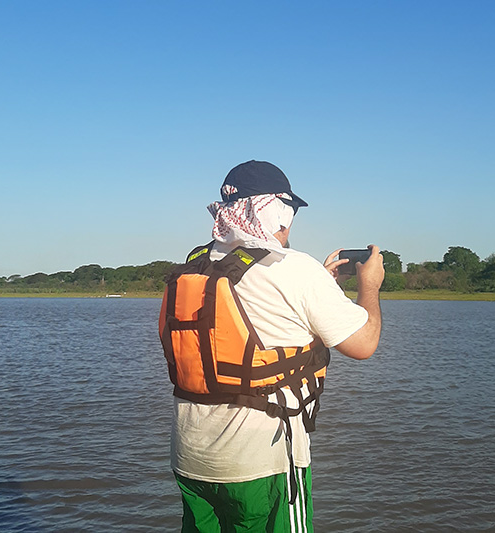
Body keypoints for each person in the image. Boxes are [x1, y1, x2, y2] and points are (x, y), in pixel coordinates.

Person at [158, 160, 384, 533]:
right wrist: (369, 286)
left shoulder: (197, 264)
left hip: (190, 458)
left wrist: (326, 283)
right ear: (279, 212)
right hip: (259, 462)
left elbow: (261, 311)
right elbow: (365, 343)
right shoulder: (296, 268)